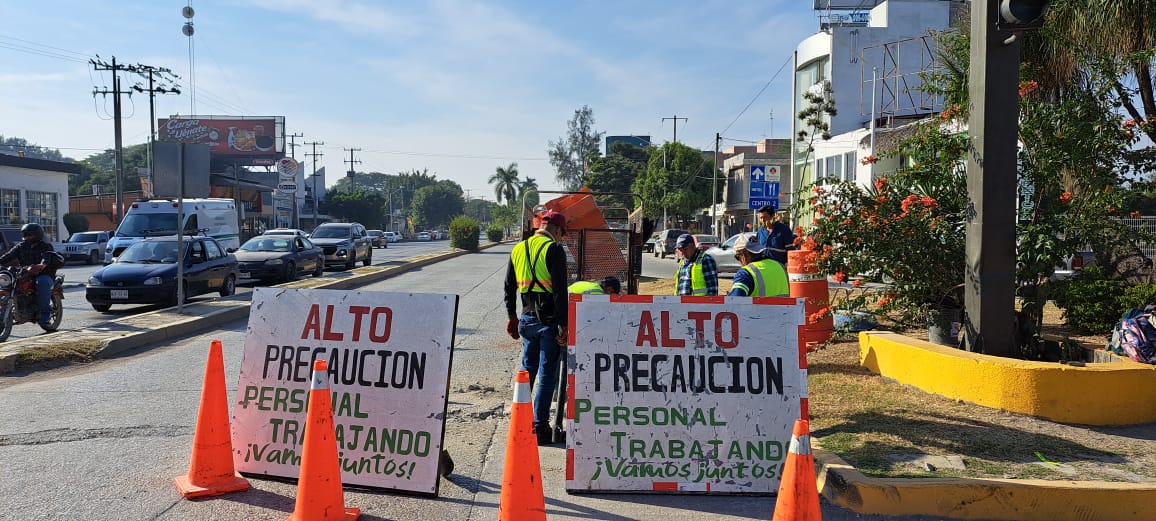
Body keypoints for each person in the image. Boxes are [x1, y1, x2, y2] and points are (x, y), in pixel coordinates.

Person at [503, 210, 569, 445]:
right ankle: (540, 426)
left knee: (526, 372)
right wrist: (564, 325)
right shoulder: (554, 249)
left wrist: (512, 317)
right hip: (548, 322)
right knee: (547, 374)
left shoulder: (518, 248)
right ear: (557, 230)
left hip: (526, 318)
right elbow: (560, 291)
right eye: (562, 234)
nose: (561, 238)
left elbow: (508, 287)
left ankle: (520, 423)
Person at [0, 223, 61, 326]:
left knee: (41, 283)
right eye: (25, 234)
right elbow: (8, 256)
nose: (27, 237)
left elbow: (46, 258)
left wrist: (41, 265)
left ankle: (45, 313)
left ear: (37, 235)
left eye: (30, 234)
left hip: (43, 274)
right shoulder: (21, 246)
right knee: (9, 283)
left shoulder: (45, 246)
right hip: (25, 273)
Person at [728, 232, 790, 297]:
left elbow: (734, 300)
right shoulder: (780, 266)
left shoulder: (745, 273)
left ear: (744, 256)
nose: (739, 262)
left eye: (737, 257)